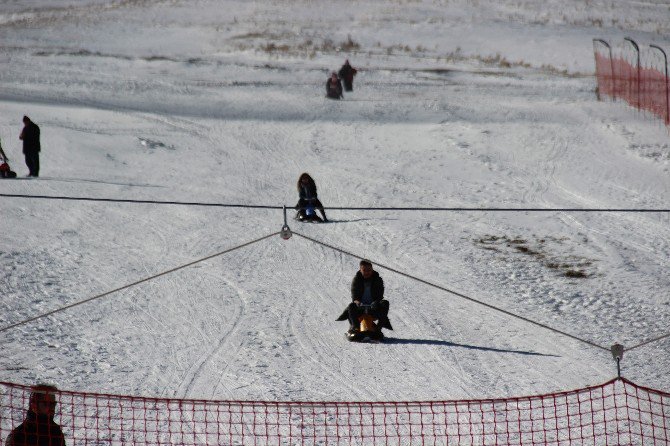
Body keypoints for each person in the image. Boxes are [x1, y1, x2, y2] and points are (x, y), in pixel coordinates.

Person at [336, 259, 393, 335]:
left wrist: (376, 302)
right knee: (351, 306)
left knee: (385, 303)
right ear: (360, 270)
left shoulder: (378, 280)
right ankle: (355, 327)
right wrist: (357, 302)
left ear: (372, 270)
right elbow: (354, 297)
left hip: (373, 308)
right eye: (364, 270)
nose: (367, 272)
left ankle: (378, 329)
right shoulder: (356, 280)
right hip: (360, 308)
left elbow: (380, 295)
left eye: (369, 270)